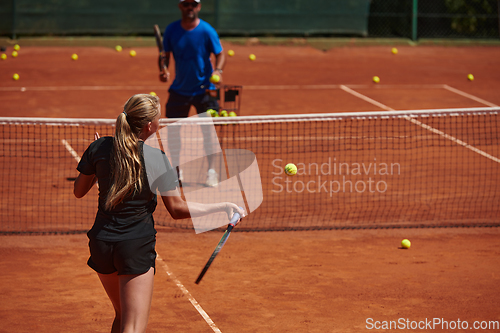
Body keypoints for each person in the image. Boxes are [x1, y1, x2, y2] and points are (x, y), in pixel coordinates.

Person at [73, 94, 244, 333]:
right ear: (149, 126)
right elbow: (177, 209)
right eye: (159, 119)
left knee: (122, 316)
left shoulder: (99, 147)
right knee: (132, 328)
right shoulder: (156, 158)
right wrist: (222, 206)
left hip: (101, 243)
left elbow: (79, 191)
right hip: (134, 247)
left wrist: (97, 161)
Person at [159, 0, 225, 187]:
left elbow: (220, 54)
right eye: (186, 4)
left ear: (199, 7)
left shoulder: (206, 30)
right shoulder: (172, 30)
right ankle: (177, 171)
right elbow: (164, 56)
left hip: (205, 90)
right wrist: (163, 69)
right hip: (179, 90)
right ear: (181, 6)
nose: (190, 8)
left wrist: (218, 71)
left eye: (193, 4)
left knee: (209, 133)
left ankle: (211, 172)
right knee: (173, 133)